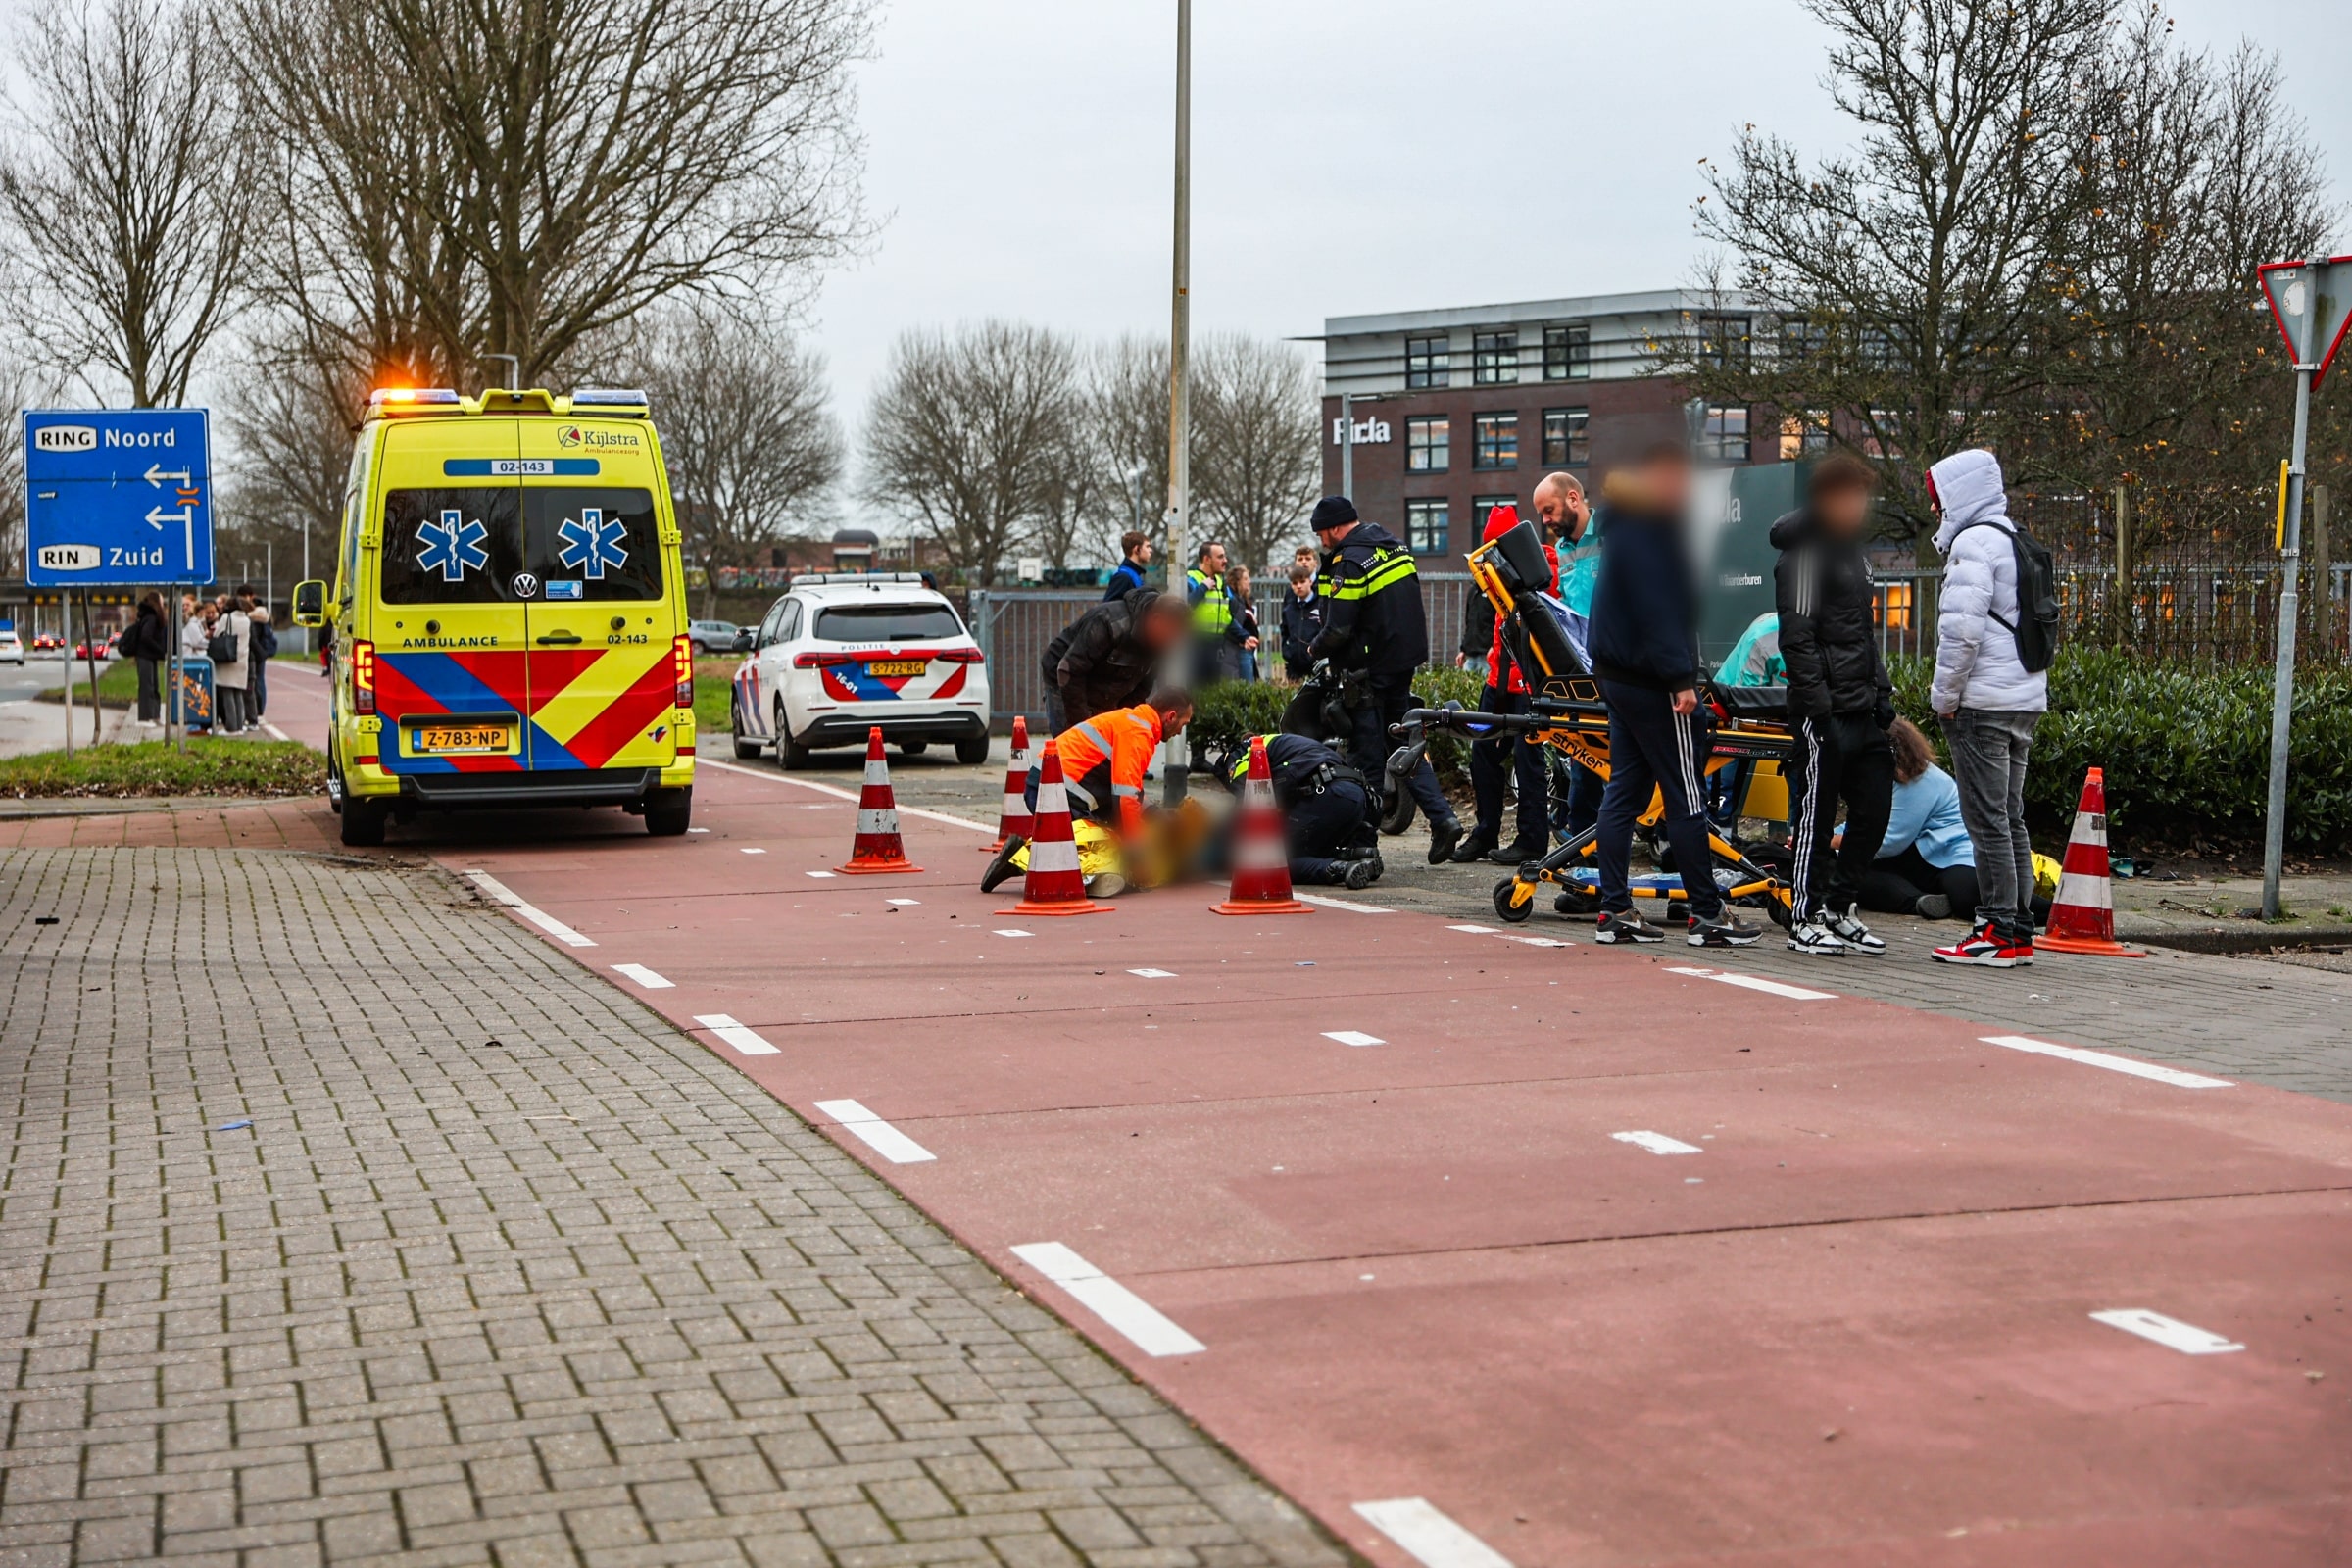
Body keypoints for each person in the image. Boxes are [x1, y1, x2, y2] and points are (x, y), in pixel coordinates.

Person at [1585, 444, 1759, 948]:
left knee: (1624, 792)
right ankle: (1707, 914)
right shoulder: (1651, 528)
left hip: (1620, 677)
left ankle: (1615, 910)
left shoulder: (1623, 525)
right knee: (1686, 794)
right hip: (1654, 683)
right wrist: (1681, 678)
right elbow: (1658, 609)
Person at [1926, 448, 2047, 968]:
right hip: (2023, 698)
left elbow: (1961, 633)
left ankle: (1994, 929)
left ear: (1959, 495)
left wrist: (1944, 699)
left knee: (1985, 821)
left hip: (1982, 704)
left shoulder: (1973, 544)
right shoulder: (2015, 539)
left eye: (1938, 498)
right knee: (2010, 818)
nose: (1935, 509)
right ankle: (2017, 930)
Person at [1773, 455, 1896, 956]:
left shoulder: (1853, 554)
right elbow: (1796, 639)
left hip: (1862, 708)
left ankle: (1839, 909)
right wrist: (1818, 707)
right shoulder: (1803, 555)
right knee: (1816, 818)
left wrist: (1882, 692)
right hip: (1822, 714)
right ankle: (1804, 916)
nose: (1859, 506)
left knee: (1875, 808)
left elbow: (1864, 635)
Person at [1303, 494, 1462, 864]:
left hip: (1367, 671)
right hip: (1401, 663)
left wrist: (1314, 648)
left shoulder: (1349, 561)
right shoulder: (1394, 548)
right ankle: (1443, 819)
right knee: (1404, 745)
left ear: (1334, 528)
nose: (1320, 540)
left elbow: (1338, 628)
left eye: (1321, 533)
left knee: (1367, 757)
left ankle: (1364, 844)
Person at [983, 689, 1194, 894]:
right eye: (1183, 725)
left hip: (1049, 785)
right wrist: (1135, 850)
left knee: (1116, 833)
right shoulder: (1138, 733)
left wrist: (1154, 814)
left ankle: (1026, 854)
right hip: (1054, 790)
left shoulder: (1131, 721)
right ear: (1171, 717)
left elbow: (1129, 790)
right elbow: (1125, 798)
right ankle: (1020, 858)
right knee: (1101, 844)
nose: (1179, 732)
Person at [1453, 505, 1552, 866]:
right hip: (1500, 682)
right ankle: (1486, 832)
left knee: (1528, 761)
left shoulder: (1543, 567)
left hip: (1529, 685)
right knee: (1483, 755)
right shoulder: (1499, 572)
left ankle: (1531, 839)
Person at [1533, 470, 1604, 840]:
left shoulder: (1610, 533)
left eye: (1549, 510)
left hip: (1616, 661)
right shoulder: (1562, 549)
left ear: (1573, 498)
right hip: (1585, 666)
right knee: (1584, 757)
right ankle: (1583, 840)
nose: (1545, 520)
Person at [1218, 731, 1380, 889]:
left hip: (1325, 796)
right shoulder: (1288, 744)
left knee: (1269, 860)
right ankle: (1359, 855)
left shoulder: (1244, 752)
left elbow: (1252, 795)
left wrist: (1222, 845)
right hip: (1356, 797)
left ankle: (1340, 869)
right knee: (1311, 850)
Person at [1039, 589, 1188, 735]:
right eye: (1172, 634)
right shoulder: (1109, 623)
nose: (1172, 641)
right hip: (1065, 679)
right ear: (1157, 620)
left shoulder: (1162, 642)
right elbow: (1070, 669)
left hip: (1106, 685)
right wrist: (1083, 728)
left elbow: (1142, 688)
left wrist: (1123, 723)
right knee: (1074, 744)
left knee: (1110, 741)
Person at [1185, 541, 1241, 685]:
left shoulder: (1221, 583)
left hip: (1216, 646)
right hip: (1196, 645)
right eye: (1220, 557)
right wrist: (1203, 588)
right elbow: (1185, 607)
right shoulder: (1191, 580)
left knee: (1212, 691)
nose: (1225, 560)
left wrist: (1244, 636)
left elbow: (1228, 616)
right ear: (1207, 559)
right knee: (1195, 690)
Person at [124, 592, 169, 726]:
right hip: (145, 656)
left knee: (153, 686)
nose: (163, 603)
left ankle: (154, 715)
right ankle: (145, 718)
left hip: (149, 656)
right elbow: (146, 636)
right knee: (147, 687)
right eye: (161, 600)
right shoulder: (151, 618)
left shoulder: (148, 617)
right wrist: (160, 650)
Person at [239, 586, 278, 721]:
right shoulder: (265, 616)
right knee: (260, 680)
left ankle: (256, 710)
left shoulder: (253, 617)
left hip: (255, 652)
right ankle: (260, 709)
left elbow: (253, 637)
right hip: (262, 652)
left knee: (254, 682)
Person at [214, 595, 251, 733]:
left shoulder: (226, 618)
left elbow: (216, 635)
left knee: (228, 693)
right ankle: (240, 725)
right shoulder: (247, 620)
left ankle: (231, 727)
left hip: (228, 659)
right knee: (238, 694)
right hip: (242, 660)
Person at [1278, 564, 1321, 679]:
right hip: (1294, 668)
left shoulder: (1320, 606)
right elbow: (1284, 632)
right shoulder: (1288, 609)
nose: (1299, 586)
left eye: (1302, 582)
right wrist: (1287, 652)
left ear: (1310, 582)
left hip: (1316, 667)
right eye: (1295, 583)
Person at [1456, 582, 1494, 684]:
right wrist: (1463, 649)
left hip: (1487, 654)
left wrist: (1494, 647)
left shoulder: (1494, 591)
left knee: (1483, 686)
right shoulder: (1473, 590)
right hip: (1471, 653)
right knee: (1466, 687)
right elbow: (1470, 622)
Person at [1104, 531, 1153, 600]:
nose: (1151, 550)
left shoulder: (1134, 575)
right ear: (1137, 549)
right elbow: (1109, 605)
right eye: (1147, 546)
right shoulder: (1123, 578)